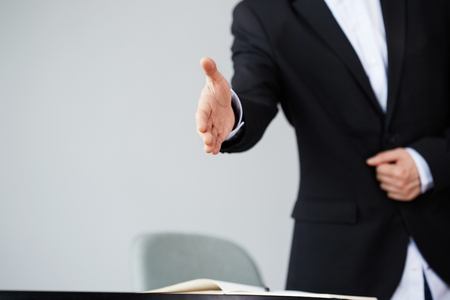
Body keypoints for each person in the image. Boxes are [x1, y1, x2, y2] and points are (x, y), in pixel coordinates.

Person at [195, 1, 450, 300]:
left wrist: (431, 163)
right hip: (341, 265)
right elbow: (253, 93)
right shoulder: (262, 11)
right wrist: (234, 116)